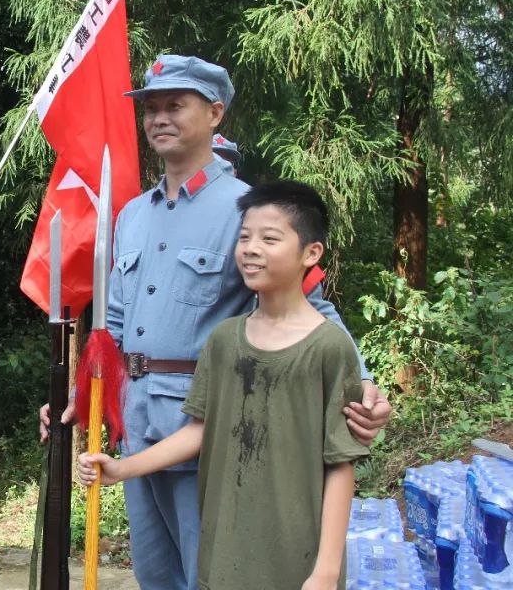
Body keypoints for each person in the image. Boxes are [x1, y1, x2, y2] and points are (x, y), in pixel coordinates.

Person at [39, 54, 392, 590]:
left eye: (175, 105)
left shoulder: (248, 211)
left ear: (215, 113)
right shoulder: (133, 214)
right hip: (136, 422)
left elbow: (313, 307)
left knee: (210, 573)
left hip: (206, 426)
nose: (159, 117)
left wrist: (361, 385)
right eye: (151, 108)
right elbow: (112, 324)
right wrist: (78, 394)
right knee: (154, 575)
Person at [79, 180, 370, 590]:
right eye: (245, 237)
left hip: (297, 557)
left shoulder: (328, 347)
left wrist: (325, 570)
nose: (251, 248)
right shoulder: (224, 339)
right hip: (226, 552)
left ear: (311, 253)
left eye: (269, 238)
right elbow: (199, 429)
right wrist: (122, 469)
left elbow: (340, 463)